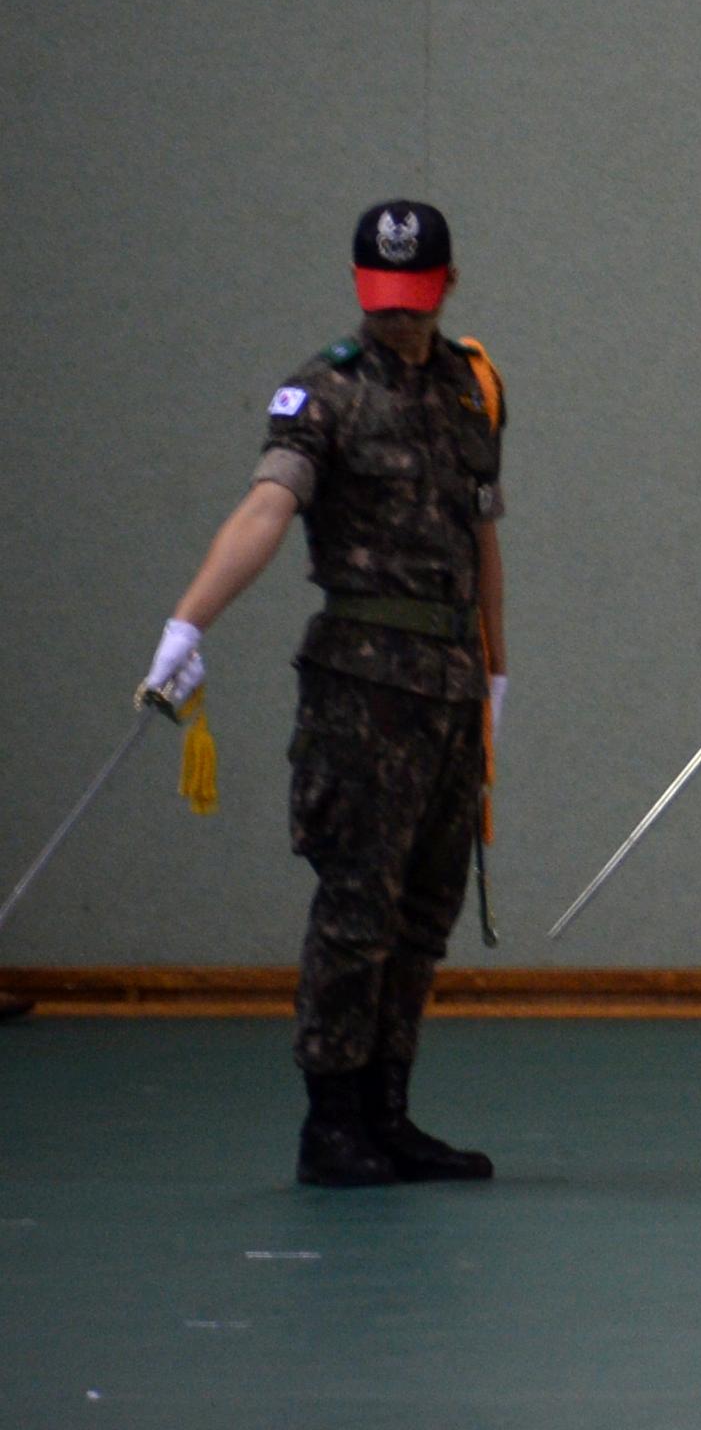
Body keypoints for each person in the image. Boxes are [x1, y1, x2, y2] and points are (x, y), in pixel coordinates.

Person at [138, 201, 506, 1186]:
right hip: (361, 688)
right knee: (357, 906)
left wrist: (496, 671)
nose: (397, 317)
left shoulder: (473, 390)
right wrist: (190, 621)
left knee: (425, 910)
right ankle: (332, 1121)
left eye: (414, 299)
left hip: (446, 687)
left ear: (448, 287)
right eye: (381, 300)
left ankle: (388, 1111)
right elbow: (269, 506)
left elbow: (481, 537)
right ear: (359, 288)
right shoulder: (323, 392)